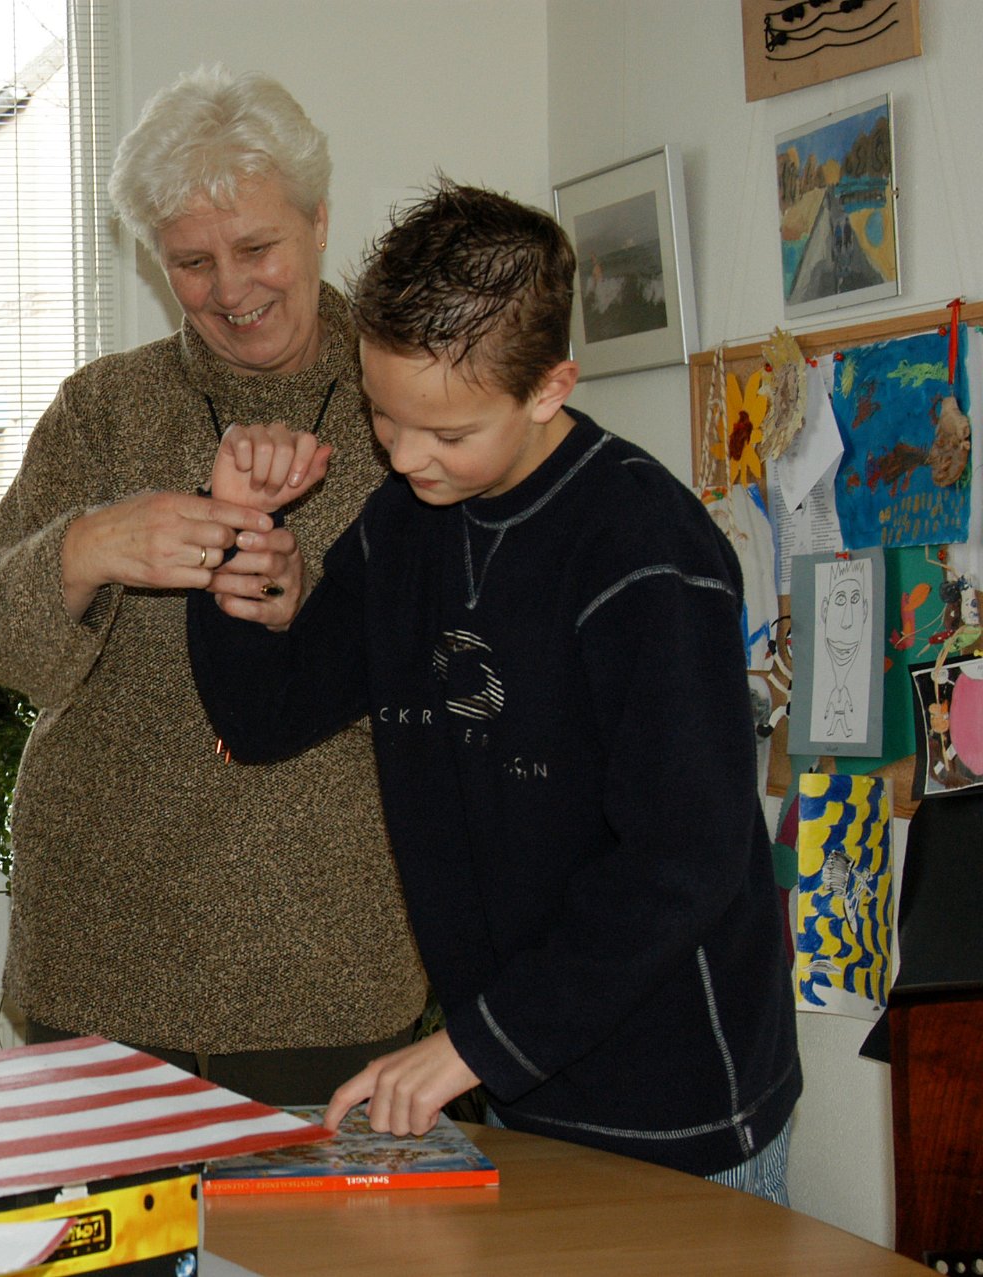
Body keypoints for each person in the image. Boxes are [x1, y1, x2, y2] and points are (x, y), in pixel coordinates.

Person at [188, 181, 801, 1201]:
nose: (405, 455)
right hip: (515, 1080)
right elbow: (265, 715)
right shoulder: (406, 523)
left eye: (447, 432)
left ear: (550, 388)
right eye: (384, 415)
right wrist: (238, 532)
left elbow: (681, 860)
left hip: (678, 1103)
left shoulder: (645, 551)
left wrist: (473, 1044)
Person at [0, 66, 425, 1104]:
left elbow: (464, 650)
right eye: (192, 262)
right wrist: (85, 548)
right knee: (109, 1215)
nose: (230, 289)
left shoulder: (408, 398)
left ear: (319, 222)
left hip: (332, 954)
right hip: (103, 948)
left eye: (256, 248)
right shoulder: (106, 408)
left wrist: (315, 606)